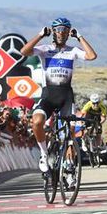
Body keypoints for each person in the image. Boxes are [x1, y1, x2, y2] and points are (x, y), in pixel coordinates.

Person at [20, 17, 97, 172]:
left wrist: (80, 37)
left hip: (66, 97)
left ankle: (69, 166)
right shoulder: (45, 49)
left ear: (69, 33)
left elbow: (91, 56)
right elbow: (24, 51)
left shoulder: (73, 51)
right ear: (53, 31)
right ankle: (43, 154)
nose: (61, 33)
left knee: (70, 135)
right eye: (58, 30)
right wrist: (40, 35)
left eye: (65, 30)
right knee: (36, 122)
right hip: (48, 95)